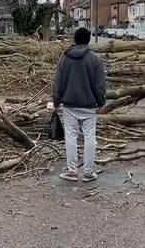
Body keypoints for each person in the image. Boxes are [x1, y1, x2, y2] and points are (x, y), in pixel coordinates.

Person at [53, 27, 106, 182]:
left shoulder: (65, 57)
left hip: (69, 105)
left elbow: (58, 82)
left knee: (71, 137)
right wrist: (101, 101)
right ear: (88, 40)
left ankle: (72, 171)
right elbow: (100, 84)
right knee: (90, 138)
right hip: (89, 105)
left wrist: (56, 101)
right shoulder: (95, 59)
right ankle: (88, 172)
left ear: (74, 39)